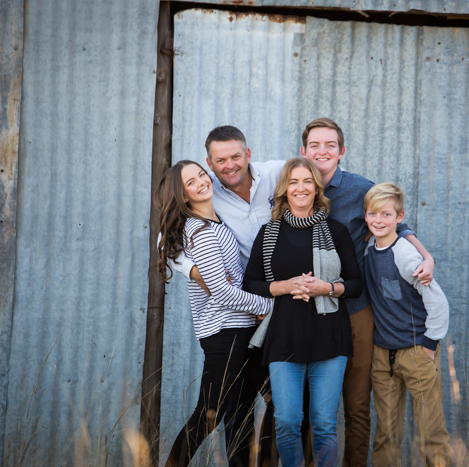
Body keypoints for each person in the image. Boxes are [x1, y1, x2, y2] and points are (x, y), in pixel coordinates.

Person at [300, 117, 435, 467]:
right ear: (304, 151)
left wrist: (425, 255)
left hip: (357, 308)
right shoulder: (296, 188)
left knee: (357, 405)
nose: (322, 151)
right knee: (314, 406)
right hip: (311, 310)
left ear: (341, 151)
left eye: (330, 144)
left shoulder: (360, 190)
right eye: (315, 145)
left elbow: (396, 223)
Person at [173, 126, 284, 467]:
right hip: (230, 329)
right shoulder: (203, 227)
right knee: (212, 414)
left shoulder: (276, 175)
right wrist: (265, 306)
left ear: (247, 154)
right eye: (190, 183)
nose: (228, 165)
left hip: (247, 325)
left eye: (236, 156)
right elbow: (217, 288)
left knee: (276, 401)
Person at [243, 158, 363, 467]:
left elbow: (354, 284)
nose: (300, 188)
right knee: (286, 420)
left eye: (307, 181)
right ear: (285, 189)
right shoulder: (269, 233)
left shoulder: (335, 231)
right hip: (283, 337)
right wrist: (285, 286)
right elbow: (251, 282)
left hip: (329, 337)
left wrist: (326, 288)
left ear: (316, 188)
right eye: (294, 182)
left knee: (323, 423)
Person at [362, 183, 451, 467]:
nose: (378, 220)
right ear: (365, 215)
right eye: (373, 213)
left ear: (399, 218)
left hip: (416, 352)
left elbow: (438, 301)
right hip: (382, 353)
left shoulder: (404, 255)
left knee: (430, 432)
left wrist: (430, 344)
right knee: (386, 434)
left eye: (386, 215)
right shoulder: (367, 249)